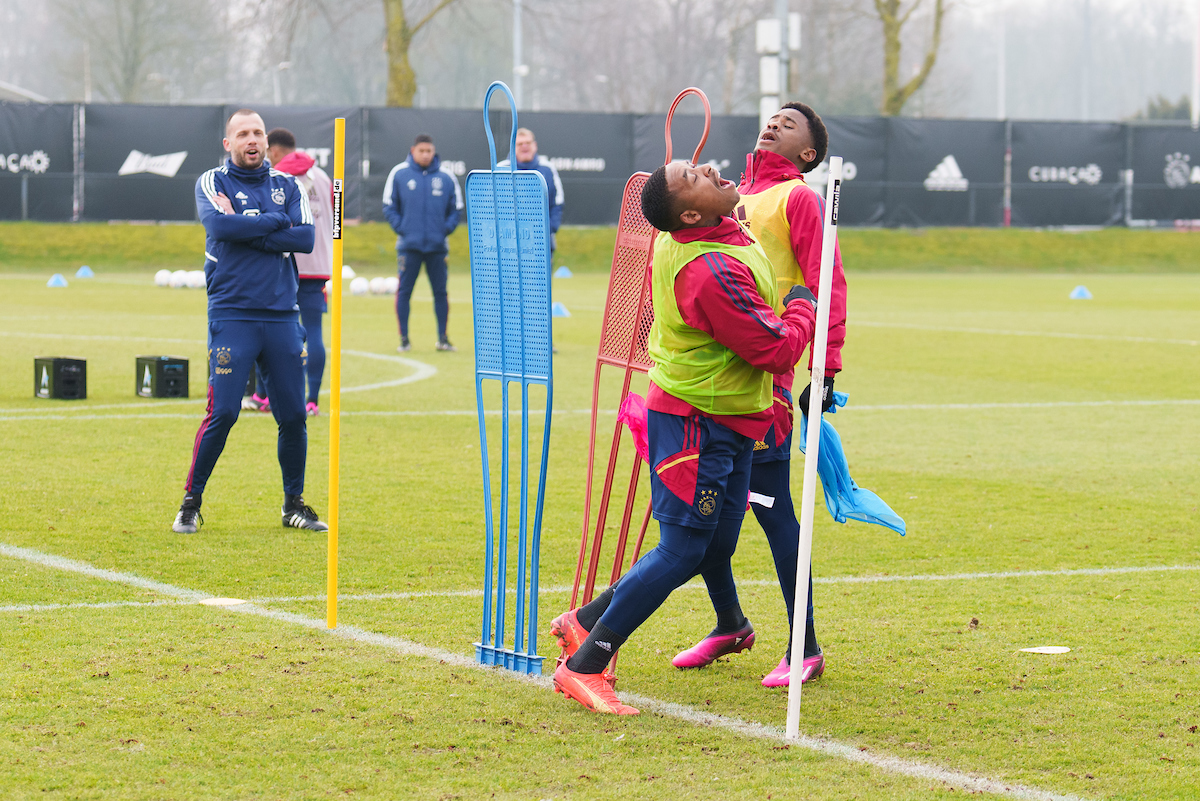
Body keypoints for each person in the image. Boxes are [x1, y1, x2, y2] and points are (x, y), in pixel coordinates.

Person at [547, 160, 818, 715]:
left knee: (717, 544)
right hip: (698, 422)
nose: (710, 168)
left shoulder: (714, 231)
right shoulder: (707, 267)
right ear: (690, 214)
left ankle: (584, 620)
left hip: (731, 417)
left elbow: (725, 214)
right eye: (694, 175)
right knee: (683, 548)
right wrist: (803, 308)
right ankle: (586, 664)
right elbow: (774, 349)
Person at [676, 102, 848, 688]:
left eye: (791, 124)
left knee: (771, 510)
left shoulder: (797, 198)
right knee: (709, 507)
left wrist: (823, 368)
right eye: (773, 116)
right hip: (713, 377)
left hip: (765, 378)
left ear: (808, 154)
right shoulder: (731, 194)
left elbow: (826, 282)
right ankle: (730, 622)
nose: (775, 122)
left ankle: (806, 646)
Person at [172, 108, 327, 535]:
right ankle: (190, 503)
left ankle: (293, 504)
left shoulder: (288, 186)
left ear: (266, 141)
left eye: (257, 132)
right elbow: (218, 226)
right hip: (232, 315)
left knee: (294, 415)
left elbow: (305, 237)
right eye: (242, 133)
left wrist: (251, 224)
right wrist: (271, 224)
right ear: (229, 143)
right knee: (222, 412)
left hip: (280, 315)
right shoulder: (212, 182)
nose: (252, 139)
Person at [267, 127, 333, 417]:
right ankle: (312, 400)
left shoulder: (278, 178)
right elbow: (337, 220)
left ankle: (267, 396)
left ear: (275, 150)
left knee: (275, 332)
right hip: (319, 265)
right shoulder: (324, 177)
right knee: (314, 332)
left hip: (286, 264)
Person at [382, 134, 463, 353]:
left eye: (430, 151)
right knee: (405, 292)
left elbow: (456, 209)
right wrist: (403, 229)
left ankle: (443, 339)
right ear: (413, 150)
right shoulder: (399, 174)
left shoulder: (446, 177)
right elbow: (389, 206)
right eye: (422, 151)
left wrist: (444, 230)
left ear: (434, 151)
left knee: (440, 293)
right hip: (409, 247)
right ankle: (404, 339)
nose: (426, 154)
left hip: (438, 247)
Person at [497, 128, 564, 254]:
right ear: (513, 147)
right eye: (520, 144)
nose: (524, 147)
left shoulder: (547, 168)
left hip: (542, 244)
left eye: (527, 143)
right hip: (509, 245)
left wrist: (550, 228)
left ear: (535, 145)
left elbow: (558, 202)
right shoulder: (501, 168)